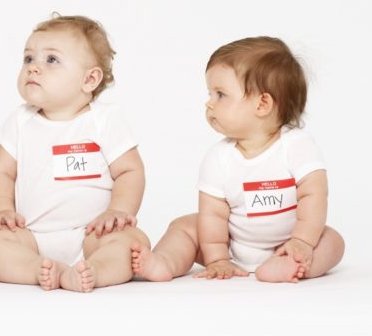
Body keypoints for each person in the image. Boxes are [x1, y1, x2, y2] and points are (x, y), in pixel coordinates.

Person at [131, 36, 345, 283]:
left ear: (262, 103)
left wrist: (302, 241)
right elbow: (213, 215)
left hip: (289, 240)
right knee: (183, 227)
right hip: (233, 244)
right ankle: (165, 261)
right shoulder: (218, 158)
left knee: (333, 242)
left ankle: (290, 264)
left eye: (221, 95)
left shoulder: (297, 146)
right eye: (210, 94)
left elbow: (314, 196)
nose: (209, 104)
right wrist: (217, 257)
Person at [0, 15, 150, 292]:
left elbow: (130, 170)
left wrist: (118, 211)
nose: (33, 68)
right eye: (28, 59)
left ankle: (96, 270)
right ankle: (35, 268)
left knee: (132, 242)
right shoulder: (20, 121)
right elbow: (0, 171)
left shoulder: (105, 121)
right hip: (31, 237)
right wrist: (2, 211)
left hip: (94, 236)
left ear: (89, 79)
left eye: (51, 60)